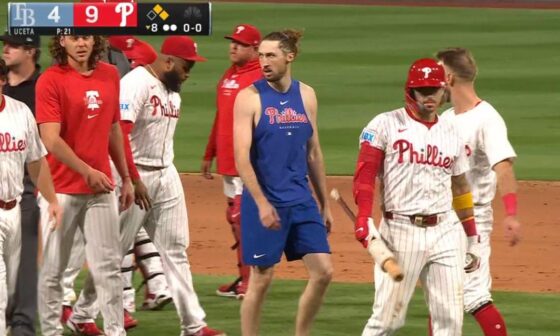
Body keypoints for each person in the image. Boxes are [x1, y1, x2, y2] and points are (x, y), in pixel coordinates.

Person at [68, 36, 225, 336]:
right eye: (186, 66)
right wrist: (133, 180)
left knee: (176, 250)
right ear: (167, 61)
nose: (188, 73)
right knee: (113, 253)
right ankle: (85, 316)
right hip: (133, 175)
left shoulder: (173, 91)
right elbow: (119, 133)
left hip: (166, 174)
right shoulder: (135, 83)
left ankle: (193, 325)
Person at [353, 58, 481, 335]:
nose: (428, 96)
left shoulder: (452, 132)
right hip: (400, 231)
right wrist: (363, 216)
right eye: (422, 90)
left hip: (446, 230)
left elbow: (460, 187)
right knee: (387, 321)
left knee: (450, 320)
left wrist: (471, 235)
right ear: (410, 92)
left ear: (443, 90)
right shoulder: (385, 124)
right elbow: (365, 176)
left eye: (433, 89)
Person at [59, 36, 169, 328]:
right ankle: (68, 303)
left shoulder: (121, 84)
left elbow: (115, 131)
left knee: (116, 236)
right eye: (126, 59)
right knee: (88, 240)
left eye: (134, 61)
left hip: (111, 171)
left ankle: (121, 302)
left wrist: (129, 178)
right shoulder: (96, 81)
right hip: (85, 174)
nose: (129, 64)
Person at [234, 30, 333, 336]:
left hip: (302, 200)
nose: (264, 61)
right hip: (265, 201)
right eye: (261, 55)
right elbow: (241, 157)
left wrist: (325, 204)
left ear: (290, 57)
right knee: (261, 279)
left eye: (271, 55)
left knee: (324, 272)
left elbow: (313, 152)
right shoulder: (249, 98)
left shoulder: (307, 96)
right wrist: (262, 203)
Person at [35, 35, 135, 336]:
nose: (81, 43)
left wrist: (126, 176)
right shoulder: (50, 80)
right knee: (53, 270)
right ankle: (51, 332)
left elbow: (114, 128)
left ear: (95, 40)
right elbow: (50, 139)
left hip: (100, 188)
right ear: (61, 41)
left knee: (108, 269)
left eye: (87, 37)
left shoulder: (110, 74)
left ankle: (116, 332)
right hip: (60, 191)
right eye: (74, 37)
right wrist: (87, 170)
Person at [436, 47, 521, 336]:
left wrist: (511, 214)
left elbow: (504, 167)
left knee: (475, 297)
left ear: (449, 77)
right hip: (442, 222)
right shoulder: (445, 119)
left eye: (438, 72)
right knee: (442, 299)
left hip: (473, 222)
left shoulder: (487, 118)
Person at [0, 58, 62, 336]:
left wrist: (52, 200)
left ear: (2, 81)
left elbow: (36, 162)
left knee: (12, 286)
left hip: (14, 211)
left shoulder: (20, 112)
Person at [201, 23, 263, 299]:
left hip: (247, 161)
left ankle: (252, 282)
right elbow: (220, 116)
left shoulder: (260, 78)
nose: (233, 46)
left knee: (243, 218)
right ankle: (244, 276)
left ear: (255, 49)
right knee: (234, 218)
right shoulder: (229, 75)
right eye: (232, 42)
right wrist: (209, 153)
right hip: (227, 160)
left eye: (240, 43)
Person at [0, 32, 42, 336]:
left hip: (23, 198)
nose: (6, 49)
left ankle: (21, 324)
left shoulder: (32, 100)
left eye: (12, 45)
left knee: (17, 275)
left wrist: (50, 198)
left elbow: (38, 156)